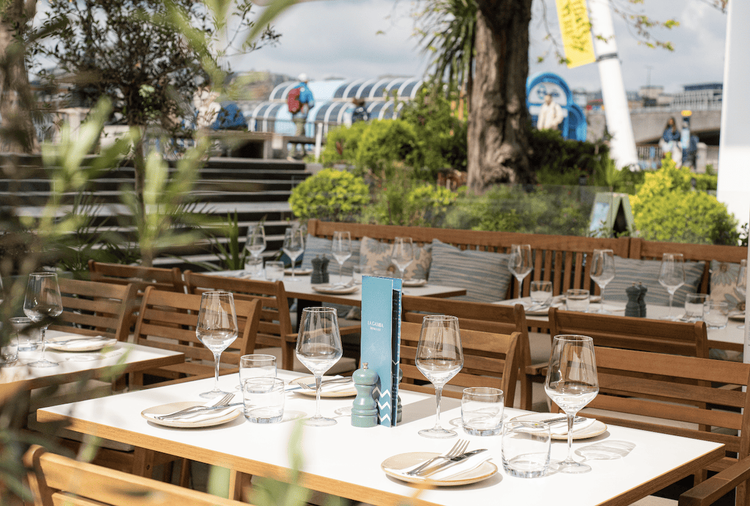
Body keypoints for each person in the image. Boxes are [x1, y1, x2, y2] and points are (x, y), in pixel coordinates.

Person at [289, 73, 315, 159]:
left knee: (303, 133)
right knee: (298, 133)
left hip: (294, 115)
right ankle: (291, 153)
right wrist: (306, 108)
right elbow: (312, 103)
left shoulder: (294, 89)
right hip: (302, 115)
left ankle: (304, 153)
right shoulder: (307, 90)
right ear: (306, 81)